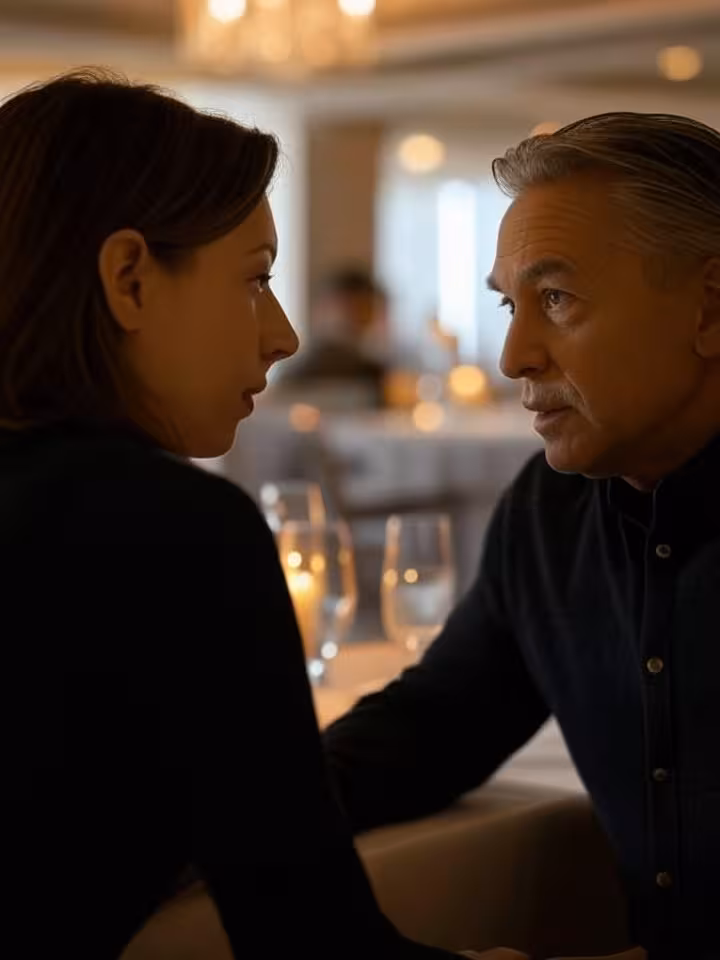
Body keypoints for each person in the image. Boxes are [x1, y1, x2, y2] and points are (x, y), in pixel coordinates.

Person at [0, 70, 520, 960]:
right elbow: (313, 940)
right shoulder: (174, 530)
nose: (280, 334)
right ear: (128, 278)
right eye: (254, 279)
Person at [324, 113, 720, 960]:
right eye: (511, 304)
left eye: (557, 299)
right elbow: (435, 724)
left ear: (711, 309)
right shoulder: (551, 509)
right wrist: (212, 820)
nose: (513, 356)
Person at [275, 266, 391, 407]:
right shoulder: (296, 373)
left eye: (365, 310)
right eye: (348, 309)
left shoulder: (377, 377)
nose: (355, 319)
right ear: (321, 309)